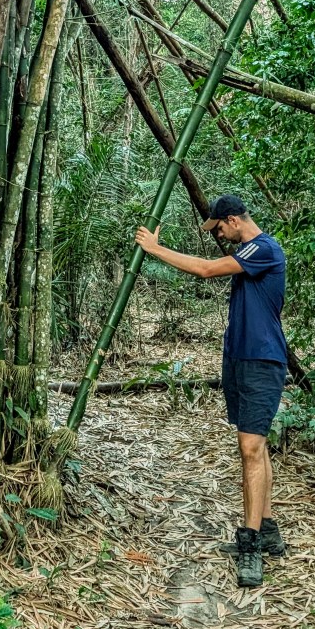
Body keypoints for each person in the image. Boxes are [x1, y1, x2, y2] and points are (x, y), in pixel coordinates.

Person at [134, 194, 287, 589]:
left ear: (234, 221)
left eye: (219, 228)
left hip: (261, 361)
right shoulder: (251, 250)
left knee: (250, 449)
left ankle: (250, 545)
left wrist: (154, 248)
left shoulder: (263, 247)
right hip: (240, 358)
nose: (219, 234)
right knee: (258, 446)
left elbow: (204, 270)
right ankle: (267, 529)